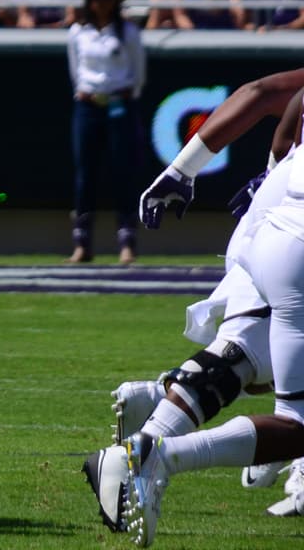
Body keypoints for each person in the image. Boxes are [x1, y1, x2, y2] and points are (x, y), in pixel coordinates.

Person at [91, 70, 304, 544]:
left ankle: (147, 428)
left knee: (242, 356)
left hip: (272, 215)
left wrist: (185, 169)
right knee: (292, 412)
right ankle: (153, 454)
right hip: (297, 237)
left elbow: (275, 105)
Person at [66, 0, 146, 265]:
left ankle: (127, 242)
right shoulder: (78, 33)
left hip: (119, 105)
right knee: (85, 174)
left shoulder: (128, 33)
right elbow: (76, 72)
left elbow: (138, 74)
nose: (101, 3)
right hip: (88, 106)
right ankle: (82, 243)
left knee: (122, 172)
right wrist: (87, 93)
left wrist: (121, 96)